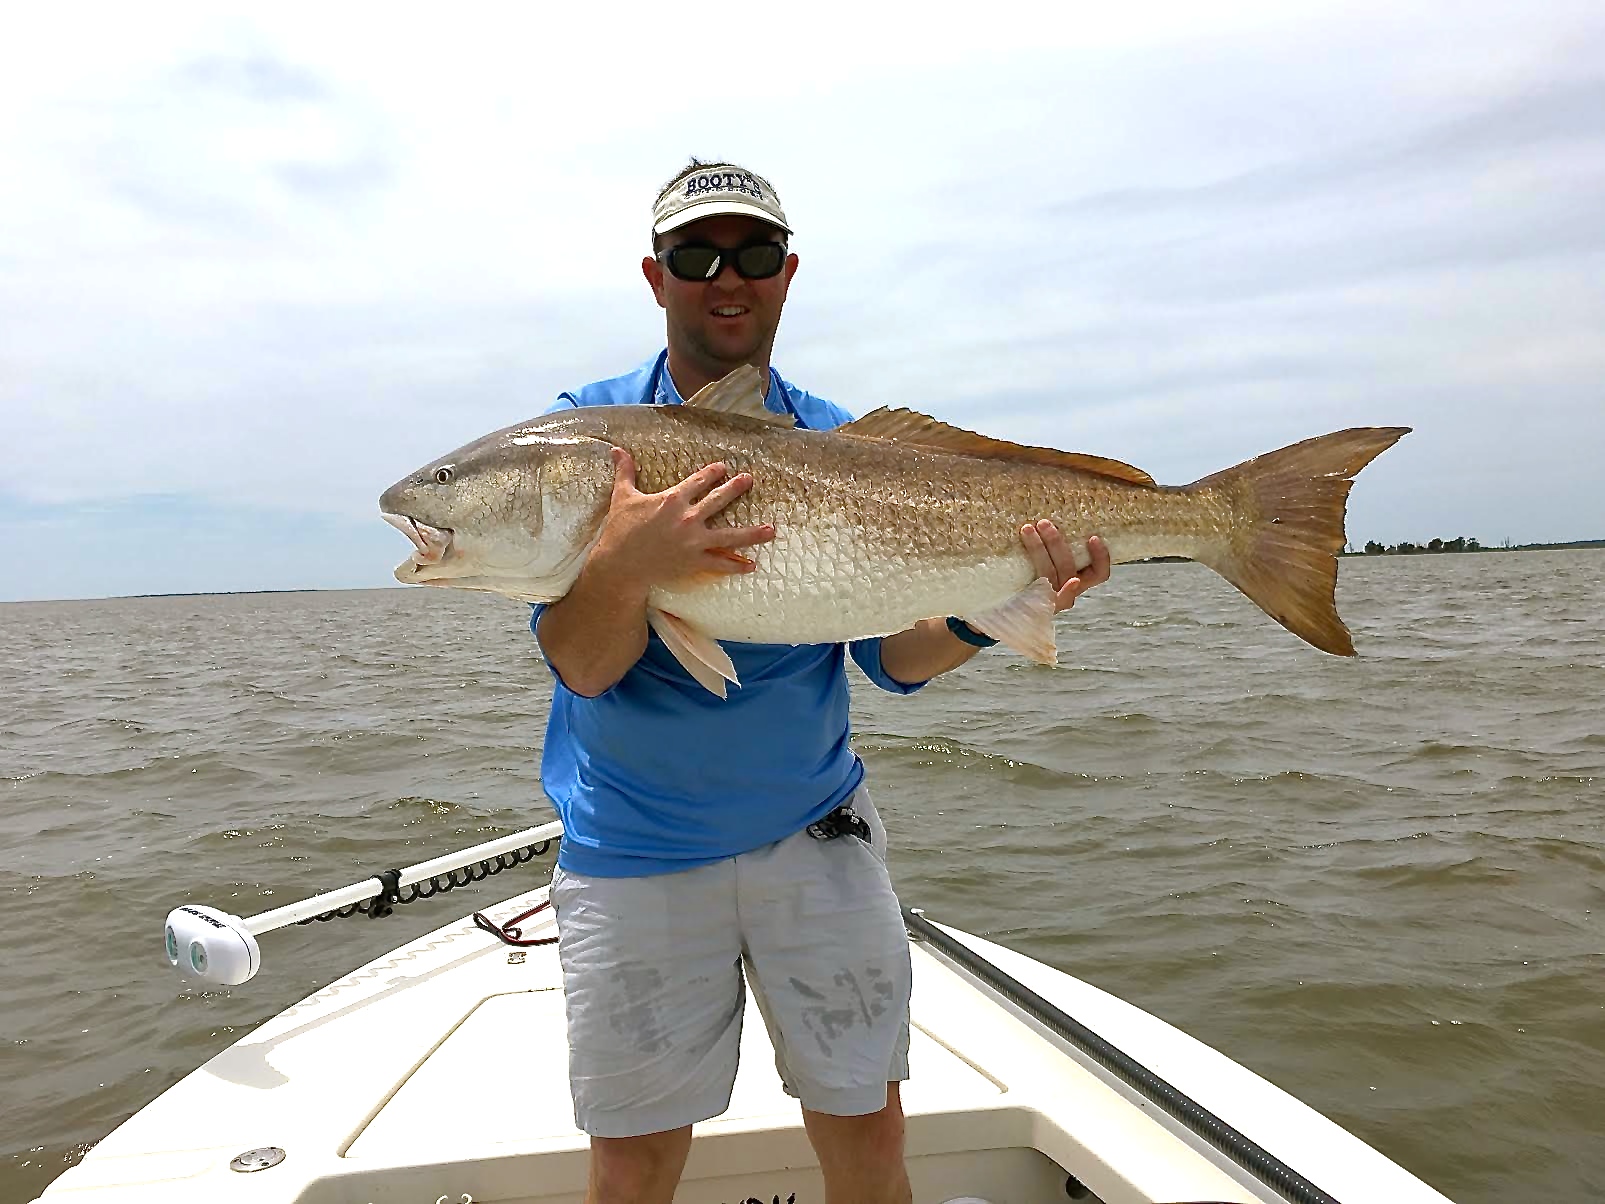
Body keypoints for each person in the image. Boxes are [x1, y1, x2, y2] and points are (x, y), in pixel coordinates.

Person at [531, 160, 1111, 1204]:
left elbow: (892, 658)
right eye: (695, 255)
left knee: (865, 1127)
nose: (726, 276)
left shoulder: (839, 439)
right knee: (634, 1157)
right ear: (655, 277)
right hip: (634, 849)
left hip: (815, 834)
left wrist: (997, 606)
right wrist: (625, 560)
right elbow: (582, 659)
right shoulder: (591, 441)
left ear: (787, 274)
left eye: (751, 255)